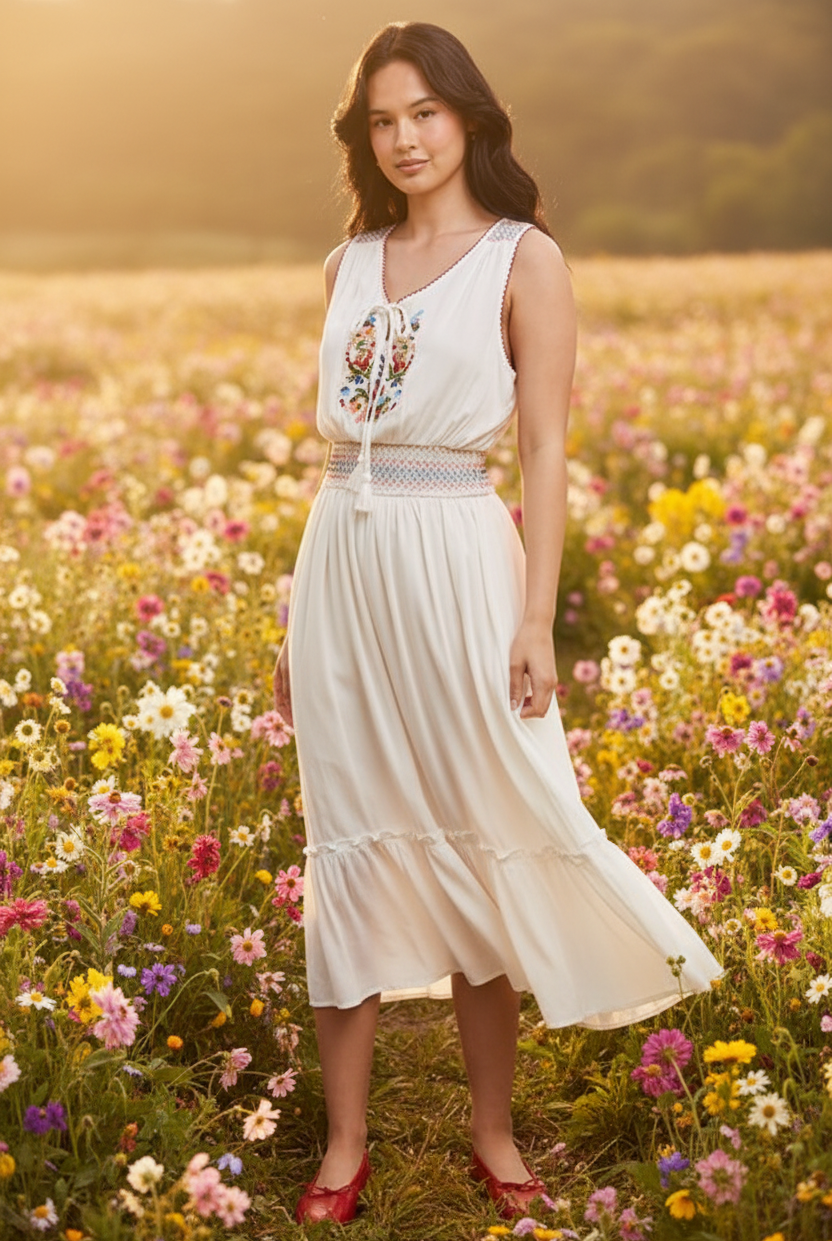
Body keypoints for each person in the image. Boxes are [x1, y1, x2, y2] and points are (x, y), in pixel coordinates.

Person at [273, 20, 723, 1226]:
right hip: (343, 567)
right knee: (348, 836)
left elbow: (542, 448)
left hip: (462, 555)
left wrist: (535, 619)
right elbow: (331, 457)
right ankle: (343, 1144)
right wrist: (292, 622)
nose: (405, 138)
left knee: (481, 828)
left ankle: (493, 1129)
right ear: (363, 136)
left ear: (468, 117)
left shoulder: (524, 259)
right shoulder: (345, 263)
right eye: (382, 120)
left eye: (424, 112)